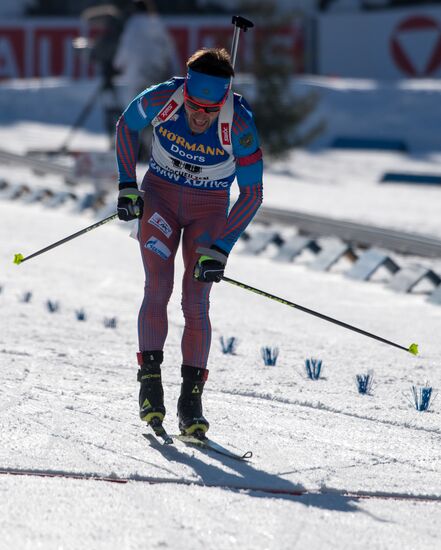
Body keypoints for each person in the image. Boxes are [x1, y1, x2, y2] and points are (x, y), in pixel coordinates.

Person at [115, 47, 263, 436]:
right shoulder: (164, 97)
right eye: (194, 107)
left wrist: (222, 248)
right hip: (160, 199)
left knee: (195, 300)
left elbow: (252, 194)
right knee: (158, 286)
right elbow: (126, 126)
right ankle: (150, 384)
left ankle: (191, 401)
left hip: (208, 210)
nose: (199, 116)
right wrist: (127, 185)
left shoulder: (241, 125)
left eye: (209, 111)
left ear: (223, 103)